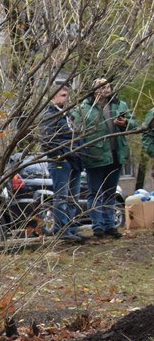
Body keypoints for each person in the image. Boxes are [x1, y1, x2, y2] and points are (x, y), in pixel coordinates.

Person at [75, 78, 130, 240]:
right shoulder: (84, 108)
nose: (107, 89)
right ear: (95, 90)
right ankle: (98, 227)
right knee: (95, 193)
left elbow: (133, 123)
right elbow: (77, 131)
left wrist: (126, 122)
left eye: (108, 86)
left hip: (116, 155)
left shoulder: (119, 105)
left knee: (110, 193)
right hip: (95, 156)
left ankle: (109, 226)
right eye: (102, 87)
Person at [39, 83, 84, 242]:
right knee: (62, 198)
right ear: (53, 97)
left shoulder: (69, 116)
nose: (66, 99)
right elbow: (47, 141)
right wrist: (62, 155)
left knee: (73, 198)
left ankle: (71, 228)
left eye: (67, 95)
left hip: (74, 161)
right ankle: (62, 230)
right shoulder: (49, 116)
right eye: (63, 96)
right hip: (60, 162)